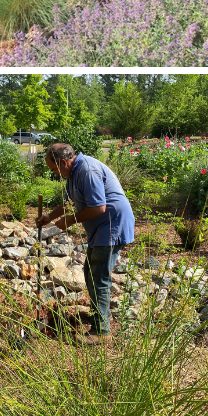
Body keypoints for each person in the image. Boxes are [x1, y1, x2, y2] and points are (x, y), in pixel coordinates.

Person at [35, 143, 135, 346]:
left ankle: (102, 332)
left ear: (64, 162)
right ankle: (99, 319)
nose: (55, 174)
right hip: (103, 227)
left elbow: (99, 207)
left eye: (54, 170)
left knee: (98, 275)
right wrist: (50, 216)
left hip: (111, 224)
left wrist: (69, 220)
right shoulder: (73, 174)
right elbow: (69, 202)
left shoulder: (87, 170)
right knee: (91, 272)